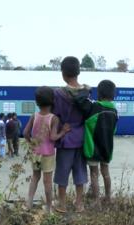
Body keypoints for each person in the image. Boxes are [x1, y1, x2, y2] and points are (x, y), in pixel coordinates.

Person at [24, 86, 70, 213]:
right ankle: (49, 207)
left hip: (35, 153)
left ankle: (29, 203)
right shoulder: (54, 118)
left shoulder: (34, 116)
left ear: (37, 102)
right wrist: (63, 131)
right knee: (47, 181)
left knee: (35, 177)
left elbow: (25, 132)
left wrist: (31, 143)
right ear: (53, 101)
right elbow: (53, 137)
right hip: (48, 155)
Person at [52, 56, 89, 213]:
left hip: (65, 138)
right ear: (78, 72)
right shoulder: (86, 92)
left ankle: (62, 204)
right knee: (80, 171)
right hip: (81, 137)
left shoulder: (58, 93)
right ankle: (79, 204)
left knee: (63, 171)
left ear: (63, 73)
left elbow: (55, 115)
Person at [73, 80, 118, 204]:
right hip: (107, 148)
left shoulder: (94, 107)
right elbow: (114, 129)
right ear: (113, 94)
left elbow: (79, 101)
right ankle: (108, 197)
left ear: (99, 93)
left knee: (94, 173)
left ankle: (96, 200)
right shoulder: (114, 110)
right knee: (105, 172)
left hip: (93, 147)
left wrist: (86, 90)